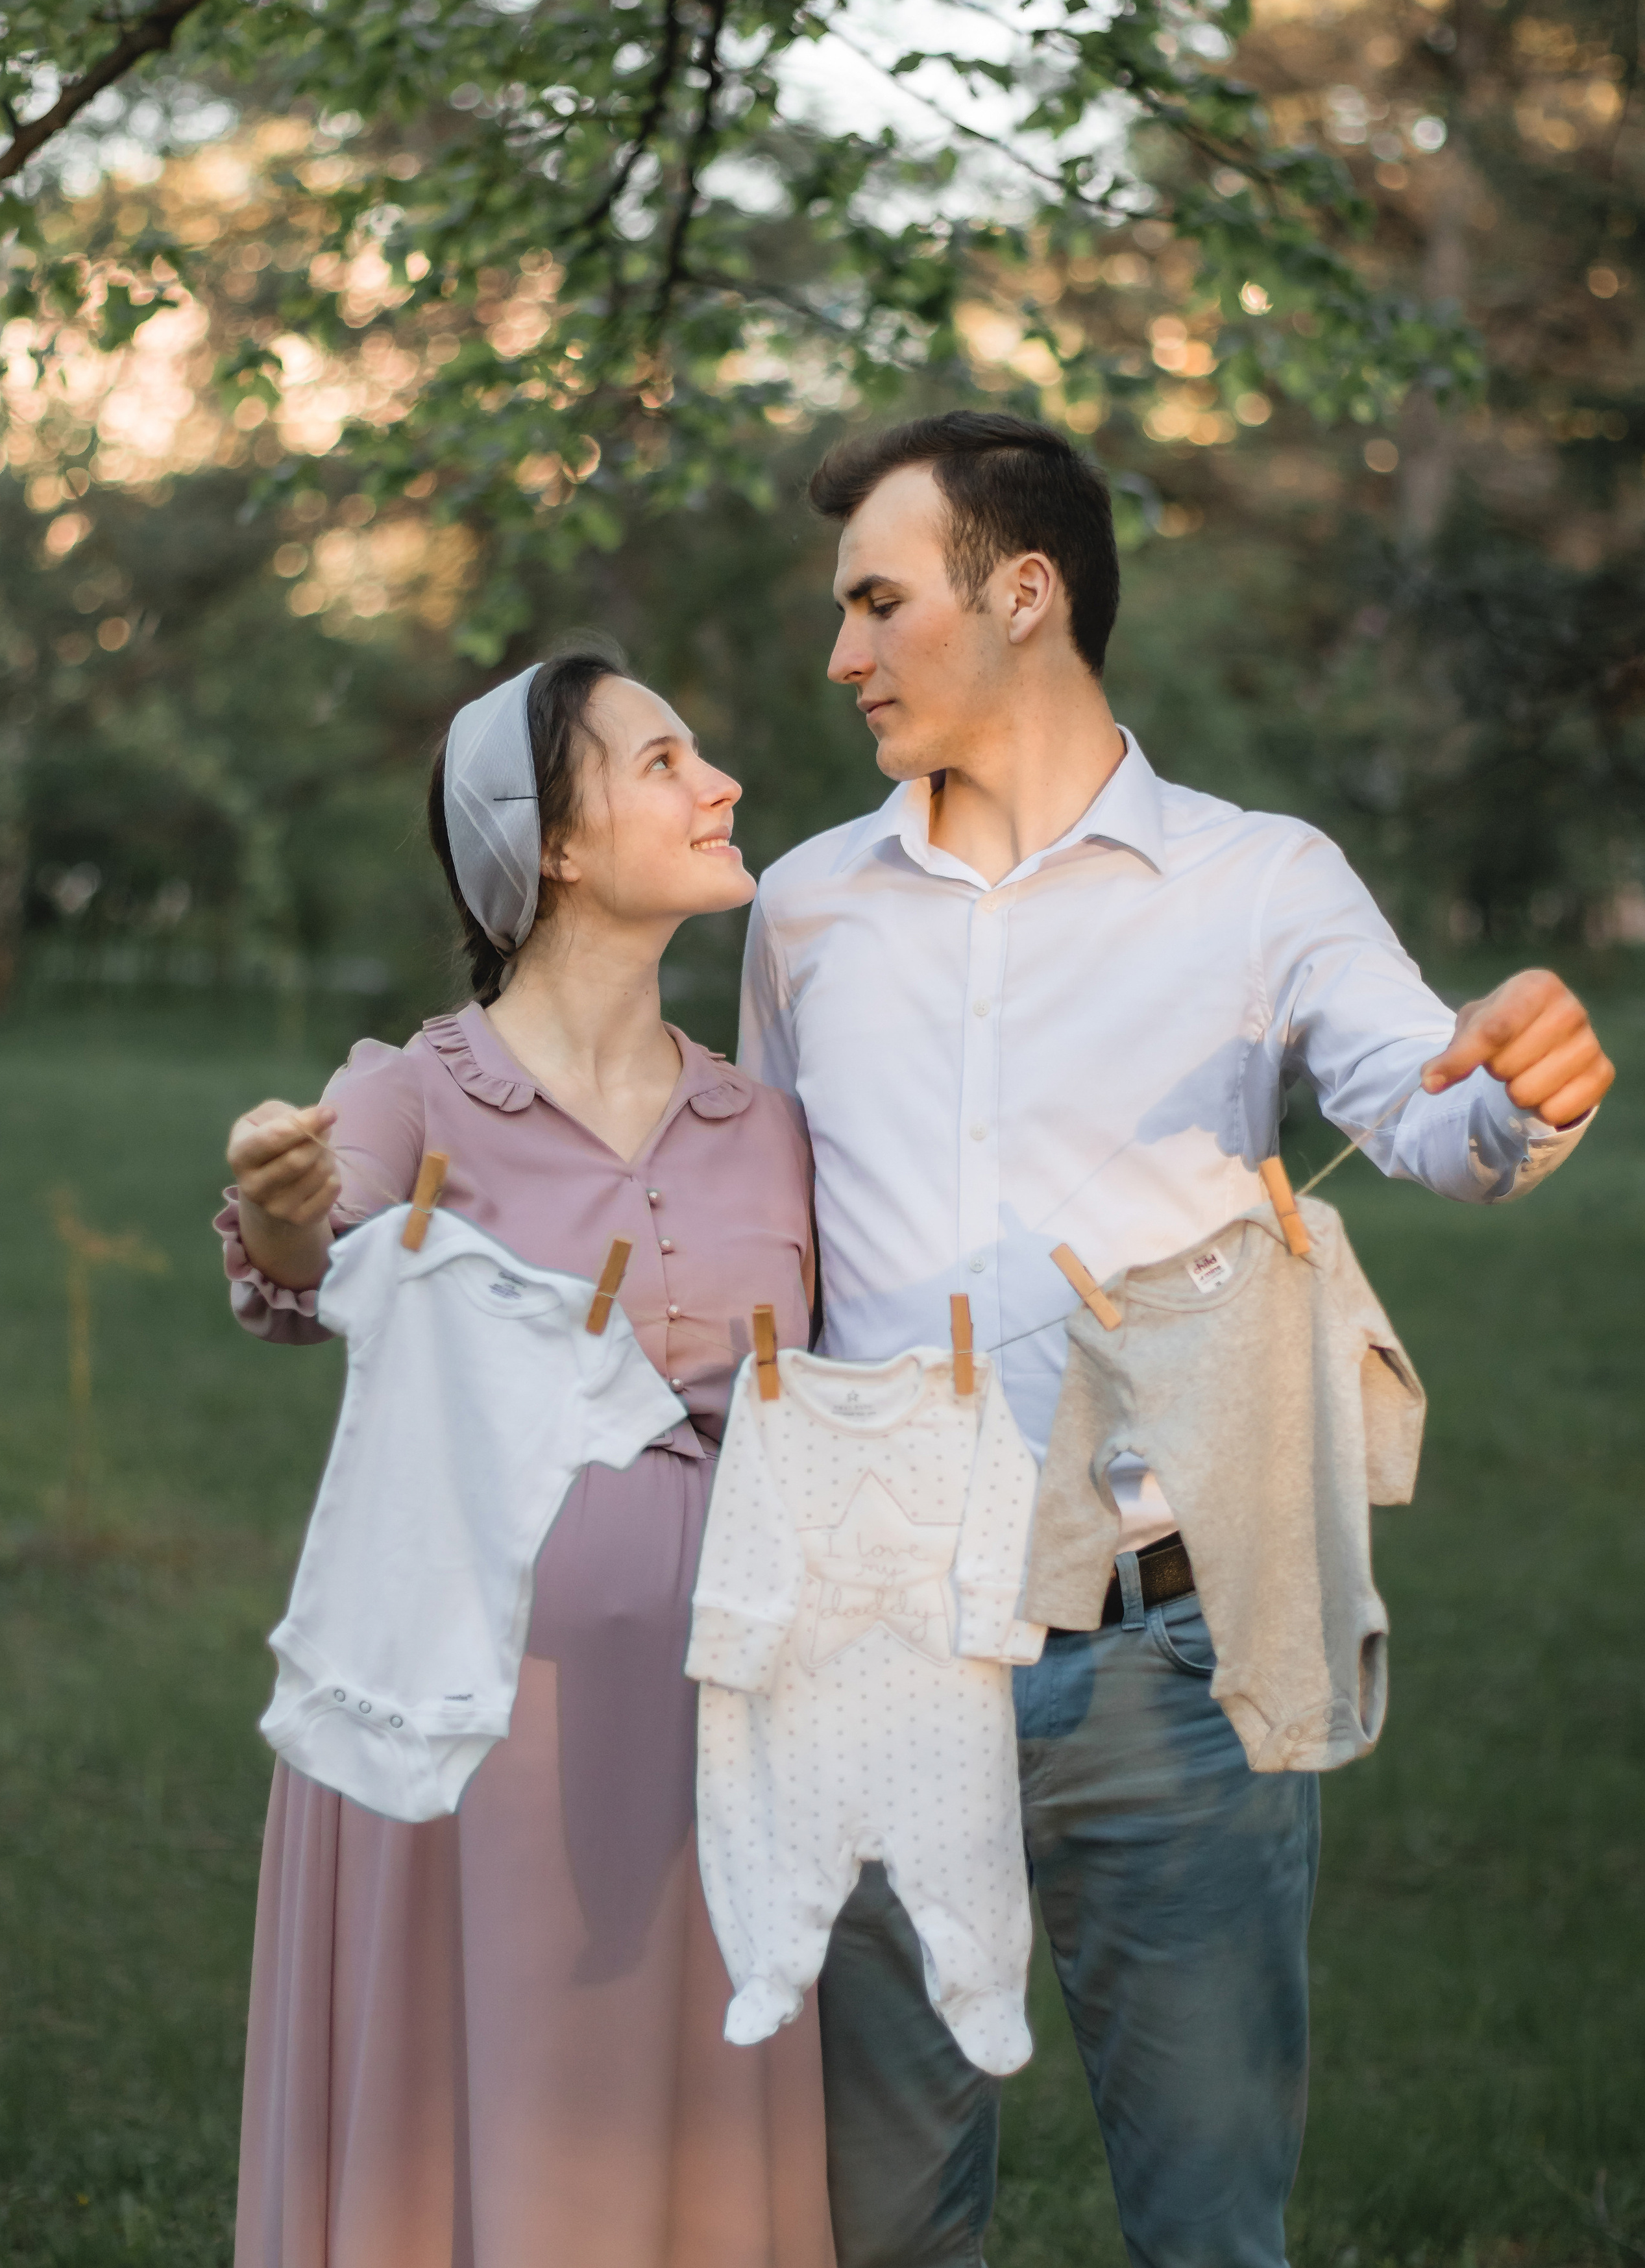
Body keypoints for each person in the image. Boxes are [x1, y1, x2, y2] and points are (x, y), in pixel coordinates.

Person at [737, 412, 1614, 2268]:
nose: (844, 657)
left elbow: (1436, 1110)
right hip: (881, 1663)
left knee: (1211, 2233)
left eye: (880, 605)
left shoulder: (1261, 883)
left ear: (1025, 593)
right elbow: (765, 1256)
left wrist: (1525, 1075)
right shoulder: (806, 909)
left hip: (1166, 1675)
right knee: (877, 2236)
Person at [219, 651, 836, 2268]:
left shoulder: (760, 1121)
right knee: (483, 2129)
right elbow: (294, 1272)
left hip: (724, 1726)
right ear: (551, 844)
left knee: (685, 2144)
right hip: (479, 1733)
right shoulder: (417, 1093)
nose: (721, 786)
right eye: (664, 762)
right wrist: (281, 1212)